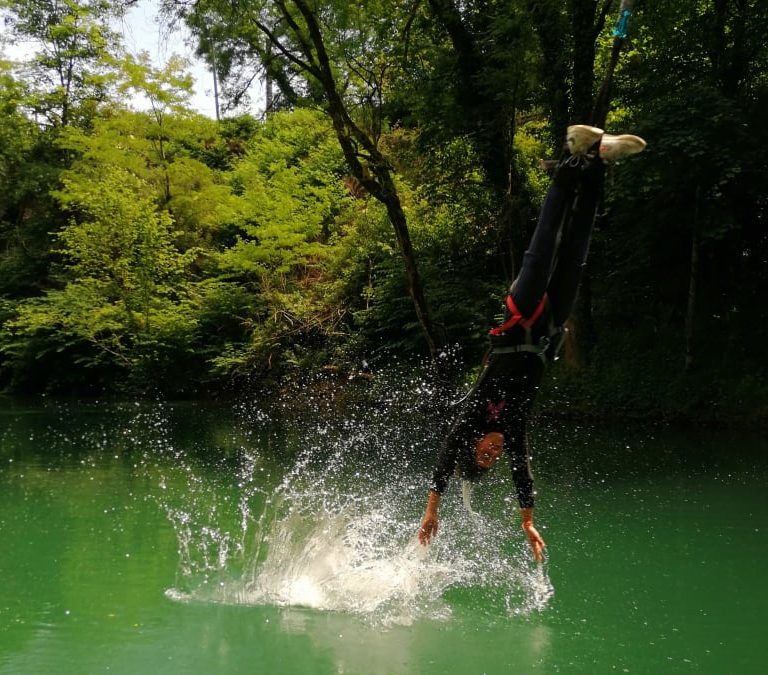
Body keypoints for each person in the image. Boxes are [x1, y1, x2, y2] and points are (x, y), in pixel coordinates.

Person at [417, 125, 646, 561]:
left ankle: (570, 158)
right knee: (577, 248)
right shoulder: (514, 430)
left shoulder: (474, 415)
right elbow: (522, 471)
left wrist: (432, 511)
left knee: (546, 243)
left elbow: (447, 454)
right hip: (550, 326)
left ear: (475, 444)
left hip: (521, 313)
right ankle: (597, 163)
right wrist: (527, 521)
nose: (493, 453)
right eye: (492, 459)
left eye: (484, 456)